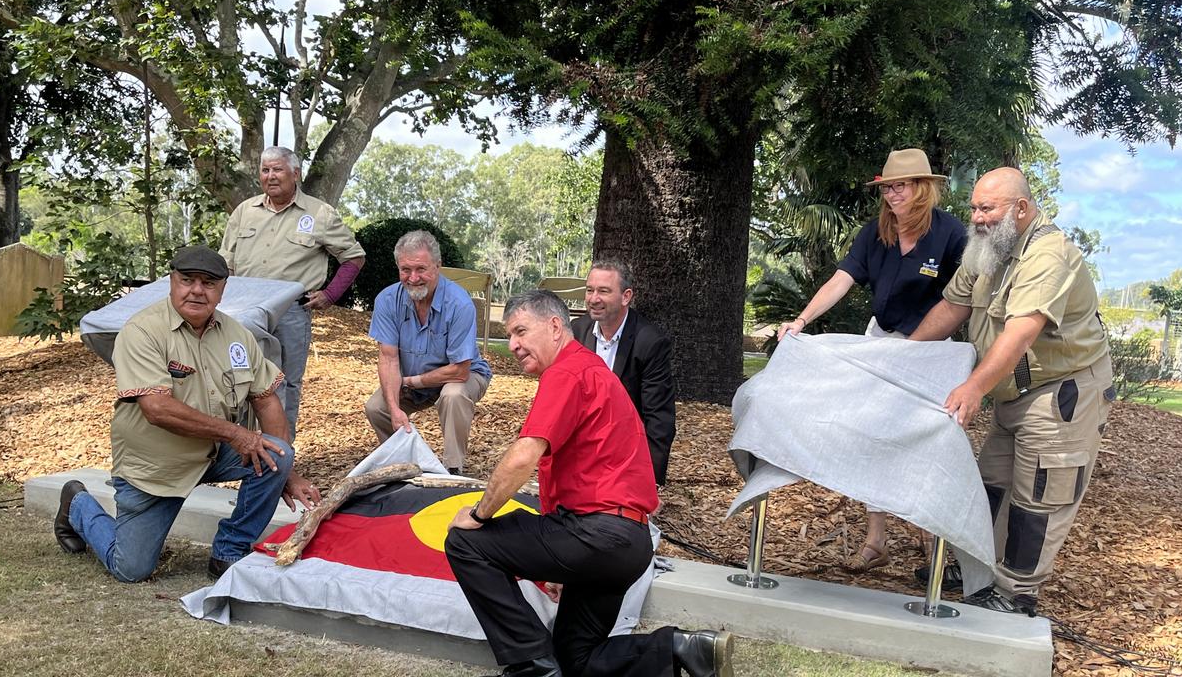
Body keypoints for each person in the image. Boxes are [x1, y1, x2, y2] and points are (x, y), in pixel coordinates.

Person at [444, 290, 733, 677]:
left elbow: (524, 455)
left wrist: (478, 514)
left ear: (555, 326)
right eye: (508, 335)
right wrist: (560, 566)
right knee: (574, 659)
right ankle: (679, 647)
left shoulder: (568, 372)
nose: (512, 344)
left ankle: (531, 664)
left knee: (465, 542)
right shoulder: (593, 372)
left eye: (520, 331)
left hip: (596, 534)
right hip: (626, 542)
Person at [910, 167, 1113, 615]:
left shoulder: (1048, 254)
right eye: (975, 208)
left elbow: (1021, 330)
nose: (978, 218)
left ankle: (1014, 593)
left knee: (1039, 498)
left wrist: (973, 387)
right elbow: (952, 306)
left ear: (1020, 209)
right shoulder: (988, 250)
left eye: (988, 208)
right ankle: (972, 566)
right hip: (1013, 393)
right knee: (990, 484)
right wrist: (904, 353)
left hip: (1060, 393)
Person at [52, 246, 322, 582]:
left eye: (209, 283)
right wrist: (237, 434)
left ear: (223, 289)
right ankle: (77, 505)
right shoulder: (143, 330)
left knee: (277, 455)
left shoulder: (237, 336)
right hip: (155, 466)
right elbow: (157, 409)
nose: (197, 289)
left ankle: (229, 551)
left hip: (211, 451)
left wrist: (286, 472)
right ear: (171, 282)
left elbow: (266, 399)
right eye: (187, 280)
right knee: (131, 569)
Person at [777, 148, 967, 574]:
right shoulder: (875, 233)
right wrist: (802, 319)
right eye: (888, 188)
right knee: (871, 435)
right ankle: (876, 538)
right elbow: (841, 279)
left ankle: (933, 538)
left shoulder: (951, 234)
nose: (893, 194)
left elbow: (965, 299)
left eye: (901, 186)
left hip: (930, 349)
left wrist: (917, 346)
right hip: (882, 341)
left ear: (923, 187)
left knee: (930, 439)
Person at [220, 146, 366, 438]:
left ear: (295, 174)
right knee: (239, 378)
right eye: (265, 170)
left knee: (284, 381)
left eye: (277, 169)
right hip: (244, 311)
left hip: (290, 313)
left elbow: (354, 257)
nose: (270, 176)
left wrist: (330, 295)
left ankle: (281, 453)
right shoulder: (244, 212)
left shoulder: (319, 213)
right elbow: (225, 263)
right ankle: (243, 447)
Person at [366, 230, 492, 474]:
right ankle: (404, 464)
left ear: (437, 266)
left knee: (453, 395)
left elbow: (460, 370)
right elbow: (388, 359)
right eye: (405, 270)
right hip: (411, 380)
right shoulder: (387, 300)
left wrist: (412, 381)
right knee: (376, 407)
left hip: (462, 375)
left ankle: (453, 469)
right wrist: (394, 408)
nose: (413, 278)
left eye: (421, 269)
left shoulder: (459, 304)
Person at [570, 261, 676, 485]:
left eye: (604, 291)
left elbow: (658, 417)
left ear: (626, 296)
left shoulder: (650, 342)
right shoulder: (577, 331)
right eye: (590, 290)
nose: (593, 298)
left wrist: (650, 482)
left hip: (625, 453)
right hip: (580, 451)